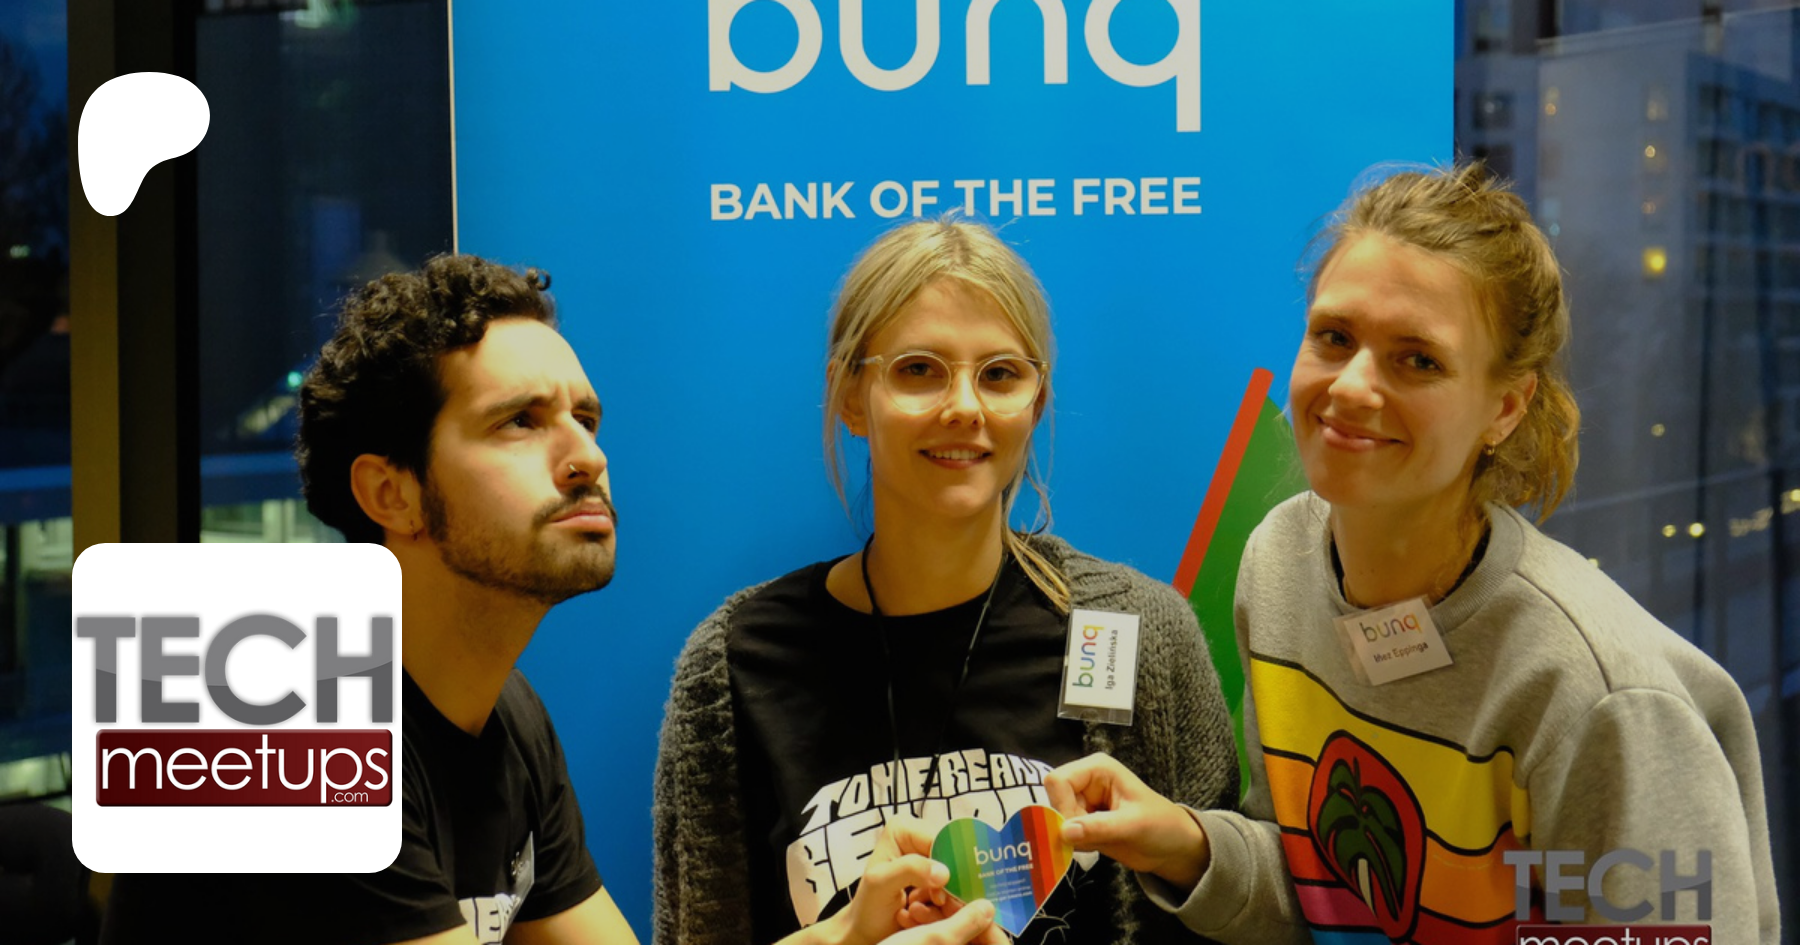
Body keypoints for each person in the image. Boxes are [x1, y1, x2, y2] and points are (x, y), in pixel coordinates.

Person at [1043, 163, 1781, 944]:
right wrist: (1188, 843)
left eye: (1418, 359)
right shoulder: (1280, 564)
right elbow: (1327, 892)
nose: (1351, 387)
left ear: (1506, 406)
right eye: (1334, 338)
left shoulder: (1596, 698)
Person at [653, 218, 1239, 945]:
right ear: (849, 395)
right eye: (919, 370)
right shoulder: (732, 665)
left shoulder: (1140, 635)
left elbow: (1226, 919)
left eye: (999, 374)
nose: (964, 406)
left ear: (1036, 403)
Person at [101, 255, 635, 945]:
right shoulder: (287, 721)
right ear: (392, 494)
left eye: (585, 419)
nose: (588, 457)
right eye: (520, 422)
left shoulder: (508, 710)